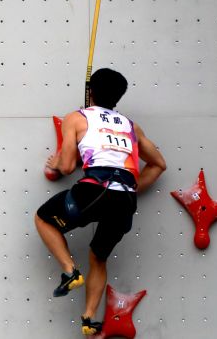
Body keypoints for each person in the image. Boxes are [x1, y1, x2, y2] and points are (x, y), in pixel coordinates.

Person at [34, 68, 167, 336]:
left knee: (44, 219)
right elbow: (159, 164)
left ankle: (70, 271)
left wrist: (56, 162)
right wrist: (130, 189)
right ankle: (88, 319)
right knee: (99, 257)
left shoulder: (76, 118)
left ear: (90, 91)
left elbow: (68, 166)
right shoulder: (131, 126)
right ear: (118, 97)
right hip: (125, 199)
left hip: (94, 191)